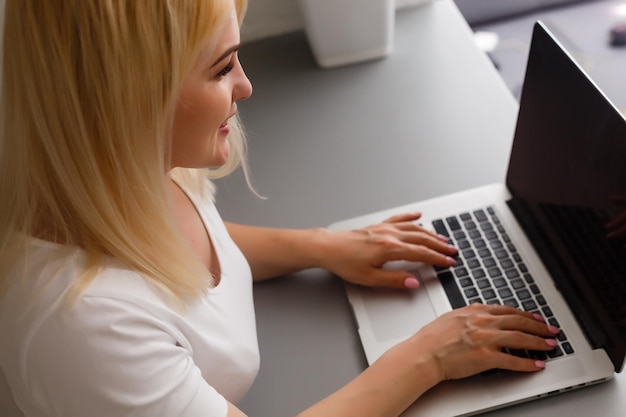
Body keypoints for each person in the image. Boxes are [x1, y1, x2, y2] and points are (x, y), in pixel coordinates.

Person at [0, 1, 561, 416]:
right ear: (129, 98)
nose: (245, 87)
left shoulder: (108, 173)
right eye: (222, 68)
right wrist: (427, 358)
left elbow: (183, 242)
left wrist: (321, 245)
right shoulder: (84, 329)